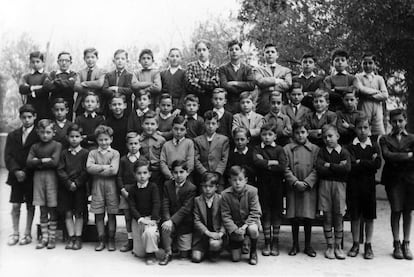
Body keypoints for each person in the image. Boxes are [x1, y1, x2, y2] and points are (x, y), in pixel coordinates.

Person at [380, 109, 414, 260]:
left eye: (400, 120)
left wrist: (398, 157)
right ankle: (396, 243)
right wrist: (408, 155)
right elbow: (387, 156)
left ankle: (406, 243)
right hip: (393, 180)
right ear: (390, 122)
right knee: (396, 210)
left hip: (410, 179)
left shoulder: (413, 138)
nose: (397, 124)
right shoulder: (385, 139)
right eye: (394, 121)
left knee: (408, 211)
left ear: (405, 120)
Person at [346, 115, 381, 259]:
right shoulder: (350, 146)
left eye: (365, 128)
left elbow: (377, 164)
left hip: (369, 186)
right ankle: (355, 243)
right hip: (354, 186)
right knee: (355, 216)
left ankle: (368, 244)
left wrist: (361, 162)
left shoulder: (373, 145)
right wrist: (367, 163)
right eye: (359, 128)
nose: (362, 131)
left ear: (370, 129)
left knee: (369, 216)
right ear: (355, 129)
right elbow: (352, 166)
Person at [5, 104, 39, 246]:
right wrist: (16, 171)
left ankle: (27, 233)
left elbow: (38, 155)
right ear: (20, 118)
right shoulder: (13, 135)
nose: (26, 120)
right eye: (24, 117)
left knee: (30, 205)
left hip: (30, 175)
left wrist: (25, 171)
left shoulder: (38, 135)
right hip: (16, 176)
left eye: (29, 117)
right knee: (15, 205)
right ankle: (15, 233)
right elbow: (8, 156)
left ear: (34, 117)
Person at [283, 121, 319, 257]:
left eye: (303, 132)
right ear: (293, 134)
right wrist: (295, 182)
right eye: (297, 133)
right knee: (295, 218)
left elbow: (317, 168)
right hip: (294, 187)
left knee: (308, 217)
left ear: (308, 133)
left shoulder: (315, 149)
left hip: (308, 188)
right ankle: (295, 244)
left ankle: (308, 245)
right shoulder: (287, 149)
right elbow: (285, 168)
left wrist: (307, 182)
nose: (300, 135)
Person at [316, 124, 351, 259]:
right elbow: (320, 168)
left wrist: (329, 165)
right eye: (325, 137)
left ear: (338, 136)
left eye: (330, 136)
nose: (328, 139)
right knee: (327, 216)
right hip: (325, 185)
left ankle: (338, 246)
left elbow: (346, 169)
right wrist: (337, 167)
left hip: (339, 186)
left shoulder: (344, 152)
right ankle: (329, 246)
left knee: (338, 215)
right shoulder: (322, 152)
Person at [26, 119, 62, 249]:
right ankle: (44, 237)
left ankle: (52, 238)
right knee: (42, 208)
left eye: (48, 132)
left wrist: (38, 161)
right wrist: (43, 160)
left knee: (52, 208)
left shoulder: (57, 145)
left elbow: (54, 162)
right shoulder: (35, 146)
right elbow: (29, 162)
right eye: (42, 132)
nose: (45, 135)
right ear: (38, 132)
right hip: (38, 179)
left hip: (52, 179)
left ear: (53, 132)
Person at [253, 123, 287, 256]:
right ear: (260, 136)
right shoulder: (257, 148)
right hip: (262, 185)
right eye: (264, 135)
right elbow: (256, 162)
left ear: (275, 136)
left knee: (276, 212)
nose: (267, 138)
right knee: (265, 211)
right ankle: (267, 241)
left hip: (277, 185)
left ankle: (275, 241)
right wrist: (272, 162)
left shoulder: (279, 149)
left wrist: (265, 163)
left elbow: (283, 166)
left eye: (270, 135)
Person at [86, 125, 120, 251]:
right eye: (101, 140)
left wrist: (98, 168)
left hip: (111, 187)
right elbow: (89, 168)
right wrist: (105, 167)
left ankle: (111, 239)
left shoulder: (115, 153)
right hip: (97, 187)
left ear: (111, 139)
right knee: (98, 214)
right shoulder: (93, 153)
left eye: (106, 139)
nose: (104, 142)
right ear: (97, 140)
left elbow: (114, 171)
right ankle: (101, 239)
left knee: (112, 214)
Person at [56, 124, 89, 250]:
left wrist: (77, 183)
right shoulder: (64, 153)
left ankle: (78, 237)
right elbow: (60, 169)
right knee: (68, 213)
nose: (74, 139)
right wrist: (68, 183)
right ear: (67, 137)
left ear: (81, 138)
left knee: (79, 213)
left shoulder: (85, 153)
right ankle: (71, 237)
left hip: (79, 188)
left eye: (77, 136)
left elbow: (86, 170)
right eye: (71, 137)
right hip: (66, 187)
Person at [221, 166, 262, 265]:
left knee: (253, 229)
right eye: (234, 180)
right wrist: (235, 229)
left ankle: (253, 251)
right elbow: (226, 216)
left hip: (249, 223)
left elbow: (255, 212)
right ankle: (237, 242)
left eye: (240, 179)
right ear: (230, 181)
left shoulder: (252, 191)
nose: (237, 183)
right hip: (235, 225)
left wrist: (244, 227)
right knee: (235, 258)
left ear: (246, 180)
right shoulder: (225, 194)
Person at [159, 160, 197, 265]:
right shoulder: (167, 185)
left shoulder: (191, 188)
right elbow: (165, 203)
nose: (178, 175)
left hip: (185, 222)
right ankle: (168, 252)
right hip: (170, 219)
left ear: (187, 172)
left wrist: (172, 220)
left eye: (181, 172)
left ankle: (177, 244)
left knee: (184, 255)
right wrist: (167, 219)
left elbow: (186, 209)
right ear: (172, 173)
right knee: (165, 226)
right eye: (175, 172)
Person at [117, 132, 148, 252]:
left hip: (140, 192)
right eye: (131, 144)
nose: (133, 146)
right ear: (127, 145)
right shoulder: (123, 160)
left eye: (136, 143)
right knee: (128, 217)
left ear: (140, 145)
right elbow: (119, 176)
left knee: (139, 215)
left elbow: (145, 177)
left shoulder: (143, 159)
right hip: (126, 192)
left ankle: (139, 240)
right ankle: (130, 240)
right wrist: (122, 190)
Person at [128, 159, 161, 265]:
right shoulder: (132, 189)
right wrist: (140, 219)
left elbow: (156, 203)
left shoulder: (153, 187)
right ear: (134, 174)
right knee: (140, 254)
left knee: (149, 233)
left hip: (150, 218)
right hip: (138, 220)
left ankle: (151, 254)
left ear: (150, 174)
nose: (142, 176)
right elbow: (132, 207)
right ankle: (145, 248)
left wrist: (153, 219)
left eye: (145, 173)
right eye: (139, 173)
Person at [192, 172, 225, 263]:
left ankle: (214, 250)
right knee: (196, 258)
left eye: (211, 186)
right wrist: (208, 233)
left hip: (216, 233)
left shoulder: (221, 199)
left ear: (216, 187)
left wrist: (220, 234)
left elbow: (225, 219)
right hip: (203, 234)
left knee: (214, 245)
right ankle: (205, 250)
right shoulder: (197, 200)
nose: (207, 189)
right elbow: (196, 220)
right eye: (205, 186)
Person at [194, 111, 229, 191]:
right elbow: (196, 159)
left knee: (219, 199)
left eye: (213, 123)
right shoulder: (197, 140)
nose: (210, 126)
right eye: (208, 123)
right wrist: (204, 172)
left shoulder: (223, 140)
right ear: (204, 124)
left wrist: (217, 173)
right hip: (203, 177)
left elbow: (224, 158)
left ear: (218, 125)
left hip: (218, 178)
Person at [355, 53, 388, 137]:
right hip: (363, 109)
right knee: (364, 135)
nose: (367, 65)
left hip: (377, 111)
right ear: (361, 64)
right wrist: (377, 92)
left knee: (380, 136)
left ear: (374, 64)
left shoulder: (379, 78)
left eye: (370, 63)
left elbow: (385, 95)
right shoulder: (358, 77)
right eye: (365, 63)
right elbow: (361, 89)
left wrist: (367, 95)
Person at [219, 40, 255, 113]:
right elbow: (224, 84)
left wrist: (235, 83)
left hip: (244, 104)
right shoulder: (223, 68)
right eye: (231, 50)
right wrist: (243, 87)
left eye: (236, 49)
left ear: (241, 52)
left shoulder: (247, 68)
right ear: (228, 53)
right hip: (229, 104)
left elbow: (251, 85)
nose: (234, 51)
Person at [254, 43, 292, 114]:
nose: (270, 54)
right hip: (263, 105)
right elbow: (260, 82)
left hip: (281, 105)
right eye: (267, 52)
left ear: (277, 55)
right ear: (263, 55)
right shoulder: (258, 70)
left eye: (272, 52)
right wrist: (276, 80)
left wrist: (268, 88)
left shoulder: (285, 70)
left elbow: (288, 84)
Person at [186, 40, 220, 115]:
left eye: (204, 50)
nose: (201, 52)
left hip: (209, 102)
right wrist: (206, 90)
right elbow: (190, 83)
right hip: (194, 101)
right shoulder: (191, 66)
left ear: (209, 52)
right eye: (199, 50)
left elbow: (215, 84)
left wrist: (199, 81)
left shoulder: (214, 68)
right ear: (196, 53)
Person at [103, 49, 137, 116]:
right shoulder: (108, 75)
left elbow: (130, 90)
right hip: (111, 106)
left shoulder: (130, 75)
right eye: (117, 58)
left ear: (127, 61)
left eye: (122, 59)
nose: (120, 61)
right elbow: (105, 89)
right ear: (114, 61)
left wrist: (117, 89)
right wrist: (115, 96)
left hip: (125, 107)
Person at [44, 51, 77, 121]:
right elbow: (47, 86)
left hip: (68, 106)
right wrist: (65, 84)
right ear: (58, 62)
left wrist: (55, 82)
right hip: (53, 105)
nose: (64, 63)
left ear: (71, 62)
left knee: (67, 126)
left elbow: (71, 85)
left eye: (67, 61)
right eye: (61, 60)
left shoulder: (73, 74)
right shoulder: (53, 74)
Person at [160, 115, 195, 181]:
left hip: (185, 177)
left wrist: (185, 174)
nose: (178, 132)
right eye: (176, 129)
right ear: (172, 129)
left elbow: (190, 161)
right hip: (170, 176)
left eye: (182, 129)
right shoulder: (166, 145)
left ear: (186, 130)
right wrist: (170, 176)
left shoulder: (189, 143)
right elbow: (163, 163)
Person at [74, 48, 106, 116]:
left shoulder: (101, 71)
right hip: (81, 103)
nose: (90, 60)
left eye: (92, 57)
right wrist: (92, 87)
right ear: (84, 59)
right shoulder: (80, 72)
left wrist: (85, 83)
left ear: (97, 58)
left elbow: (99, 84)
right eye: (87, 57)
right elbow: (76, 86)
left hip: (96, 104)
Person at [19, 51, 50, 120]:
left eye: (37, 61)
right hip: (30, 105)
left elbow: (45, 88)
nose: (35, 64)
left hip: (44, 106)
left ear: (43, 63)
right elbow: (22, 89)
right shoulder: (26, 76)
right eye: (33, 62)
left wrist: (29, 89)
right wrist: (34, 87)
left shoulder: (46, 75)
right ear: (30, 63)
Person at [139, 111, 166, 190]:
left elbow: (164, 158)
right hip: (143, 172)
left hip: (157, 172)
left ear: (157, 125)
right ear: (142, 125)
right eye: (147, 124)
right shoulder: (139, 140)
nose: (149, 126)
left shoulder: (161, 140)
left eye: (152, 124)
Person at [161, 48, 187, 113]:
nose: (174, 58)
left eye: (177, 56)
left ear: (181, 58)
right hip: (165, 105)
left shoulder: (184, 73)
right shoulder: (163, 73)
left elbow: (184, 91)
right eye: (172, 56)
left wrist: (179, 107)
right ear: (168, 58)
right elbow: (160, 91)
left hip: (178, 104)